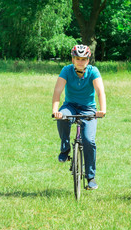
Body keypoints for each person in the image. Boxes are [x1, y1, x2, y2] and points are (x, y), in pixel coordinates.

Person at [52, 44, 106, 190]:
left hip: (88, 109)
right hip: (70, 106)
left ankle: (91, 177)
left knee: (89, 140)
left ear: (88, 60)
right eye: (77, 58)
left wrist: (102, 110)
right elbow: (58, 91)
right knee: (62, 117)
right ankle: (65, 148)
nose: (80, 61)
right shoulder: (66, 70)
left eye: (83, 59)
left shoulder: (93, 71)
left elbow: (100, 91)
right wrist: (55, 110)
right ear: (73, 59)